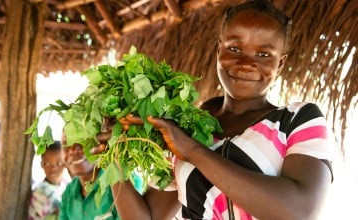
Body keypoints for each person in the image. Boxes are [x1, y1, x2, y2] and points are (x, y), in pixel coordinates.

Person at [96, 0, 334, 219]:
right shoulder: (189, 127)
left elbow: (300, 211)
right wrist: (112, 157)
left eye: (263, 54)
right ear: (219, 49)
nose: (246, 64)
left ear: (280, 63)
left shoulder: (298, 120)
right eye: (234, 48)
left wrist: (192, 151)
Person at [59, 132, 144, 220]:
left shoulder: (126, 180)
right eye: (65, 144)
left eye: (83, 141)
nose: (72, 150)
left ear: (101, 142)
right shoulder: (69, 192)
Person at [28, 141, 69, 220]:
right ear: (42, 164)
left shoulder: (68, 186)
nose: (53, 168)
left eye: (58, 163)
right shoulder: (39, 193)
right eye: (47, 163)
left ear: (65, 163)